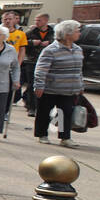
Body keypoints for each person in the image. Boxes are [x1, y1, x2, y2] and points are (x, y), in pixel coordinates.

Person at [33, 19, 84, 148]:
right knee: (44, 112)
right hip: (50, 89)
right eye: (77, 31)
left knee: (65, 113)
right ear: (68, 33)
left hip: (69, 90)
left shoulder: (78, 49)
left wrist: (80, 85)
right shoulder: (50, 50)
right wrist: (39, 86)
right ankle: (42, 134)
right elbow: (41, 70)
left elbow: (79, 70)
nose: (79, 34)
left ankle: (65, 137)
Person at [22, 13, 54, 115]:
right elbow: (22, 42)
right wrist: (32, 42)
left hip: (48, 62)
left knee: (45, 85)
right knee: (32, 84)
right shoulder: (31, 32)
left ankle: (42, 106)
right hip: (32, 61)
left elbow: (58, 41)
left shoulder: (53, 32)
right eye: (36, 20)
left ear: (45, 21)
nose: (36, 22)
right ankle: (32, 107)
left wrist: (49, 43)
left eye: (39, 20)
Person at [1, 10, 27, 109]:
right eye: (5, 19)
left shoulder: (20, 34)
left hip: (12, 64)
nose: (7, 21)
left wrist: (18, 64)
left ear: (14, 20)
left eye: (10, 19)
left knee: (9, 89)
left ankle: (6, 111)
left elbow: (22, 50)